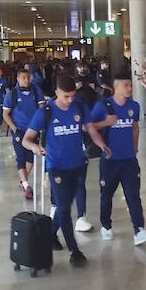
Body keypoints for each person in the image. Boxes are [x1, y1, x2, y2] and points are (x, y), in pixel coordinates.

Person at [22, 75, 105, 268]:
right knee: (65, 210)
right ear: (57, 92)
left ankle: (50, 235)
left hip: (78, 164)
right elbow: (27, 138)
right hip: (56, 166)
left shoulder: (79, 105)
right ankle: (75, 251)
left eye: (72, 96)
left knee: (64, 204)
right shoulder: (46, 112)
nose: (70, 100)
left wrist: (101, 143)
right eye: (66, 96)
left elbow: (90, 128)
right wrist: (35, 147)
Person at [90, 73, 146, 246]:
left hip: (129, 160)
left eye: (130, 85)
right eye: (126, 85)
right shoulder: (103, 106)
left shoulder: (134, 106)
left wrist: (134, 149)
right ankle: (106, 226)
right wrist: (105, 123)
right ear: (116, 87)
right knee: (107, 195)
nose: (130, 88)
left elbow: (135, 128)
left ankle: (139, 230)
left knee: (133, 195)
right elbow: (88, 126)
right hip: (109, 161)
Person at [2, 69, 45, 200]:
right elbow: (5, 114)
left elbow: (43, 109)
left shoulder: (36, 92)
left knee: (30, 159)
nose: (26, 80)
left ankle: (23, 180)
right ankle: (26, 185)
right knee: (20, 157)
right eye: (23, 78)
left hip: (33, 130)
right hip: (19, 130)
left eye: (28, 78)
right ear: (18, 79)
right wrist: (14, 129)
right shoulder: (12, 95)